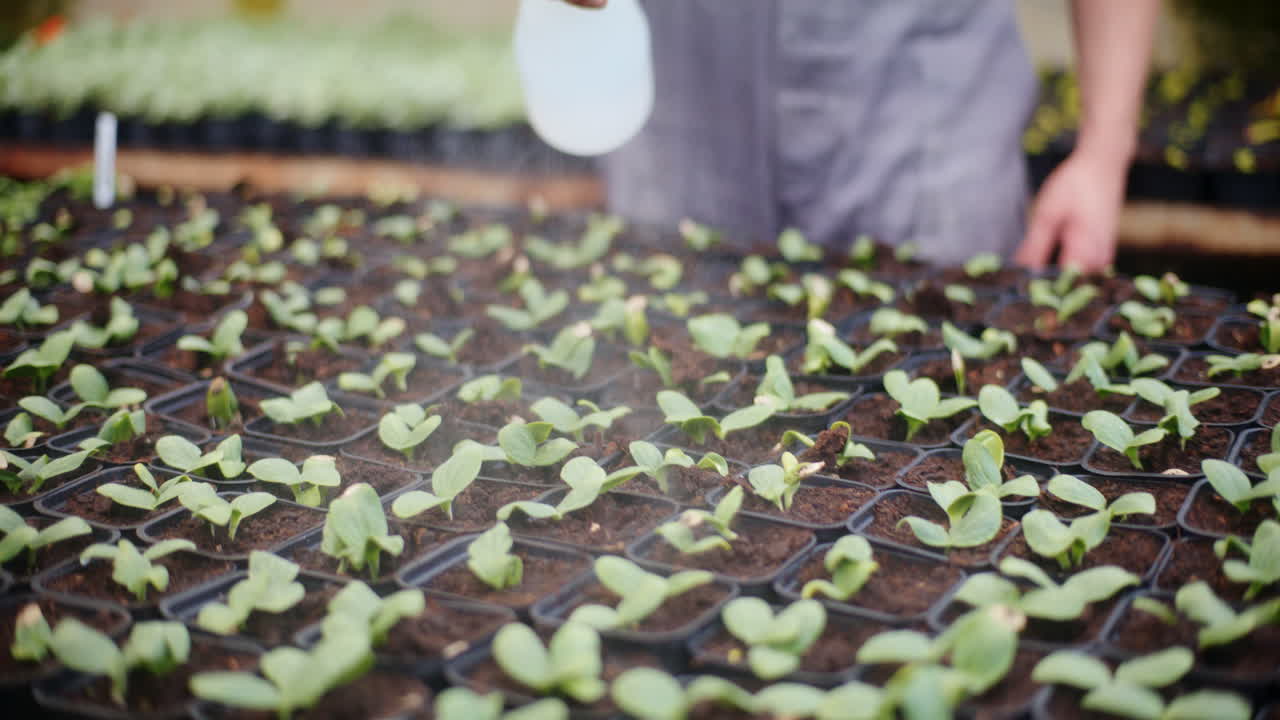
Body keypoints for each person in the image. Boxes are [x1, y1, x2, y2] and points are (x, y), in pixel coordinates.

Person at [563, 0, 1158, 271]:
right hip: (686, 103)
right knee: (666, 378)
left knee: (933, 408)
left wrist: (1104, 150)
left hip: (919, 110)